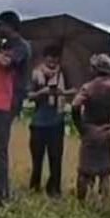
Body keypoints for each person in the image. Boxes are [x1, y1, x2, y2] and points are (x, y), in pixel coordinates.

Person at [0, 10, 31, 206]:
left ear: (9, 26)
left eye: (0, 25)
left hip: (6, 102)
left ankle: (2, 197)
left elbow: (5, 63)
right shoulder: (4, 46)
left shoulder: (21, 47)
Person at [71, 54, 110, 204]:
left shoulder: (88, 87)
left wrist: (80, 126)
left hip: (89, 130)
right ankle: (104, 204)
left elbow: (75, 105)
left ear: (94, 69)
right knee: (104, 171)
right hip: (106, 131)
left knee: (84, 170)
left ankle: (82, 203)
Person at [27, 45, 76, 197]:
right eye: (50, 57)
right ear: (44, 58)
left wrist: (62, 93)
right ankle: (34, 186)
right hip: (38, 122)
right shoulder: (36, 74)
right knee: (37, 158)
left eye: (56, 58)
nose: (53, 61)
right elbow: (28, 94)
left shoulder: (63, 73)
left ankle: (54, 188)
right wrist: (42, 92)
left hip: (57, 121)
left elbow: (74, 90)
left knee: (56, 157)